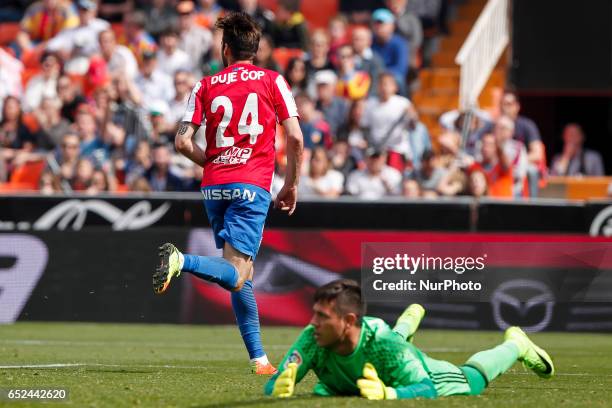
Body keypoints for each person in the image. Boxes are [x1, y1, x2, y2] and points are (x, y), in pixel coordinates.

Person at [153, 12, 303, 376]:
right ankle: (182, 261)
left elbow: (182, 141)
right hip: (251, 185)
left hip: (215, 185)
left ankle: (260, 360)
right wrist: (291, 183)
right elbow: (296, 138)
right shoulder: (272, 81)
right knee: (236, 273)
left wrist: (214, 163)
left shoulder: (204, 85)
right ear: (258, 50)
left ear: (225, 50)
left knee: (242, 276)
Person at [265, 279, 555, 399]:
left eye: (322, 316)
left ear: (349, 321)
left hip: (428, 372)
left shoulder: (384, 344)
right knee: (388, 347)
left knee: (471, 380)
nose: (312, 323)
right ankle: (405, 324)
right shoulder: (313, 336)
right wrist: (275, 384)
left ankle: (515, 343)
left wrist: (390, 394)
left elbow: (426, 388)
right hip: (384, 346)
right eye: (314, 314)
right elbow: (274, 384)